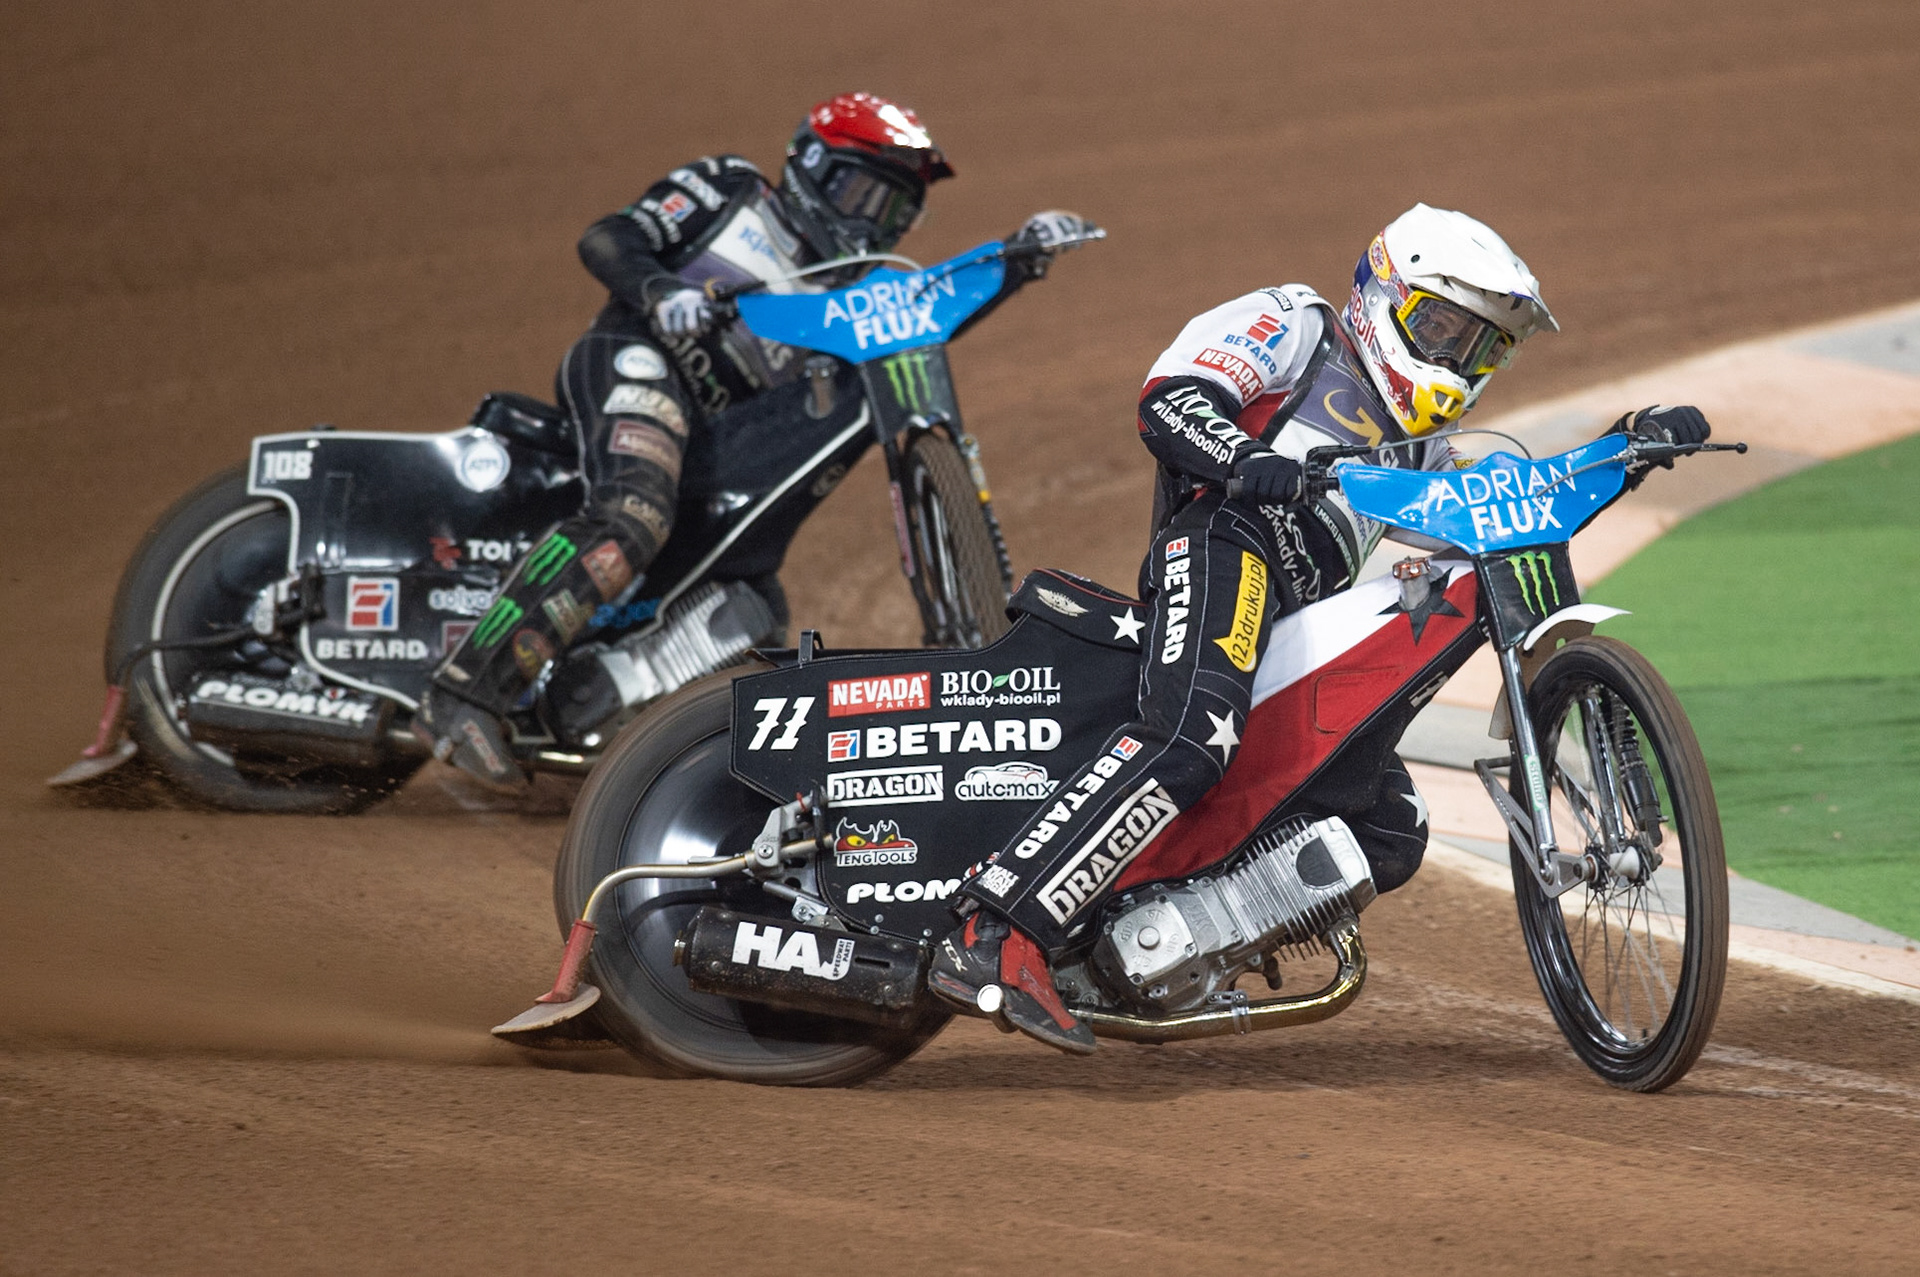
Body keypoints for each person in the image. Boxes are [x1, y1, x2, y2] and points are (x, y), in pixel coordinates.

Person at [927, 202, 1712, 1053]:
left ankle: (1168, 934)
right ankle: (993, 930)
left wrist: (1623, 450)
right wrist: (1244, 458)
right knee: (1192, 736)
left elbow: (1490, 513)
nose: (1457, 359)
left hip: (1291, 621)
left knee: (1389, 823)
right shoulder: (1297, 326)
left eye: (1482, 345)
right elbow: (1170, 401)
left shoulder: (1425, 446)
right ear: (1383, 294)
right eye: (1442, 327)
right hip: (1224, 539)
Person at [419, 92, 1091, 786]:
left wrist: (1019, 260)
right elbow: (608, 236)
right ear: (809, 164)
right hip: (639, 357)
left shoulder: (852, 287)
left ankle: (589, 710)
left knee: (751, 612)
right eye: (859, 192)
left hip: (715, 435)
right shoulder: (732, 187)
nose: (869, 221)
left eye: (891, 210)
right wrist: (657, 291)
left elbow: (915, 327)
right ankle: (466, 692)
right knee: (633, 513)